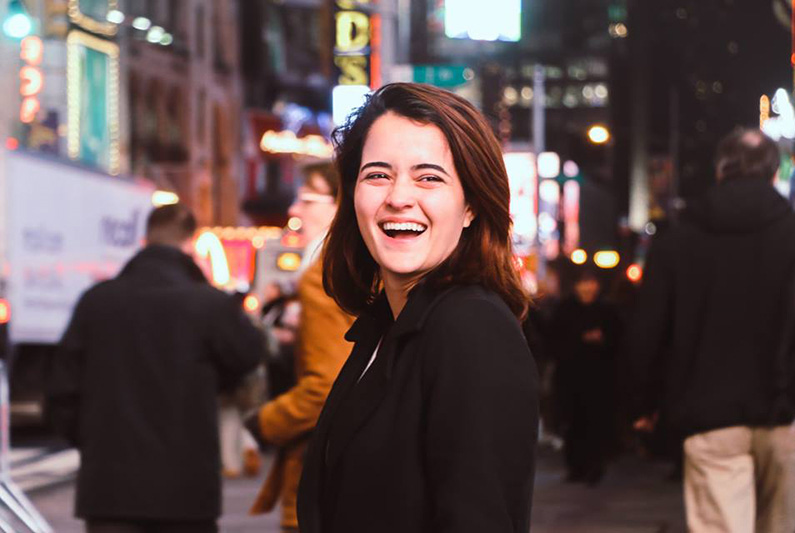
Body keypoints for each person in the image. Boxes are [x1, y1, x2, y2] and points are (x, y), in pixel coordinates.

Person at [296, 82, 540, 532]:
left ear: (471, 205)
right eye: (377, 175)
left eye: (429, 177)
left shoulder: (470, 327)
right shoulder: (384, 326)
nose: (398, 197)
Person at [46, 203, 265, 533]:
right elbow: (250, 354)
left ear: (144, 241)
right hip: (186, 489)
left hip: (110, 488)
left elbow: (61, 393)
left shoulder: (97, 301)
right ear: (191, 244)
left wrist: (94, 442)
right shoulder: (209, 304)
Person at [629, 128, 795, 533]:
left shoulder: (679, 240)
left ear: (720, 169)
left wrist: (640, 402)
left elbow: (648, 327)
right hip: (787, 412)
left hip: (707, 413)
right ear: (775, 171)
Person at [248, 162, 355, 532]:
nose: (294, 211)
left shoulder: (323, 274)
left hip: (321, 469)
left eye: (307, 200)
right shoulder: (354, 268)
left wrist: (265, 422)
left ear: (339, 205)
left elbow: (325, 387)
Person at [550, 268, 621, 484]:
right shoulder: (565, 309)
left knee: (595, 423)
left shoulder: (607, 310)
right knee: (573, 423)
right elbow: (555, 340)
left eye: (591, 283)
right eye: (583, 283)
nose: (587, 288)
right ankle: (575, 466)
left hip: (599, 378)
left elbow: (619, 342)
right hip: (571, 377)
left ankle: (594, 467)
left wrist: (602, 340)